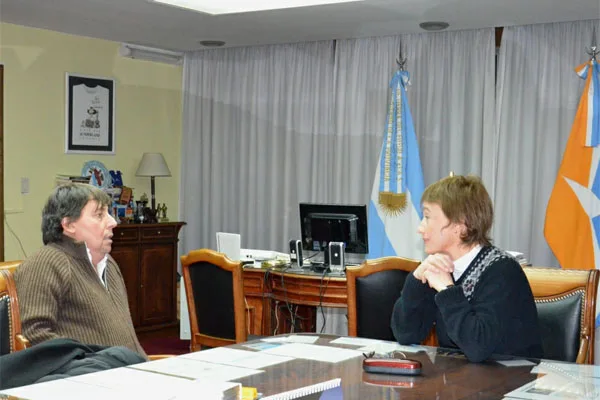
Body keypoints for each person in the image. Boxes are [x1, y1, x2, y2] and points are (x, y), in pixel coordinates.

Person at [390, 175, 542, 362]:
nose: (420, 228)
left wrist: (447, 290)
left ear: (459, 227)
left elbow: (478, 347)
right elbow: (406, 334)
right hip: (460, 382)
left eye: (427, 217)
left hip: (509, 383)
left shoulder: (502, 271)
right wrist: (416, 280)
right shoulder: (441, 266)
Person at [14, 183, 146, 357]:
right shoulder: (47, 261)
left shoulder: (109, 263)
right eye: (99, 215)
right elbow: (33, 334)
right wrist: (92, 363)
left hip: (130, 371)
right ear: (69, 225)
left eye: (109, 213)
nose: (113, 222)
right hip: (88, 377)